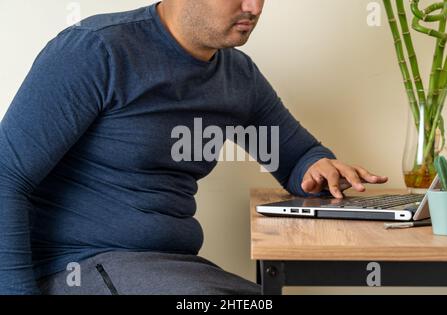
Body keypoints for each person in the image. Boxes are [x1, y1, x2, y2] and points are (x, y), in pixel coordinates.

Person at [0, 0, 388, 295]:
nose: (253, 8)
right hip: (80, 266)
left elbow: (295, 156)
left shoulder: (238, 75)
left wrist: (317, 167)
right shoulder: (96, 51)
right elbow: (5, 177)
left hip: (174, 268)